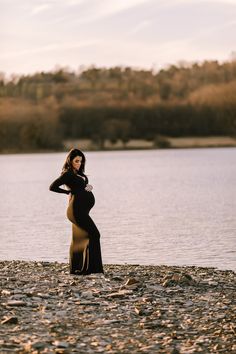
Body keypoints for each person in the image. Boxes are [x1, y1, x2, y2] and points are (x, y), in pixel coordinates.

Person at [49, 148, 104, 275]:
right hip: (76, 211)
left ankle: (79, 267)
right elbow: (52, 187)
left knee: (80, 237)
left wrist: (88, 188)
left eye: (81, 161)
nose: (79, 164)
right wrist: (68, 192)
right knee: (95, 234)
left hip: (82, 210)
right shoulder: (68, 174)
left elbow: (80, 188)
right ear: (70, 161)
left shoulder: (79, 174)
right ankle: (92, 269)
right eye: (76, 161)